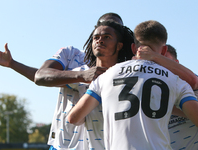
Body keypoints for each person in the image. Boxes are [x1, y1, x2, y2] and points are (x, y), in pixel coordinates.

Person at [0, 13, 130, 150]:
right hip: (64, 143)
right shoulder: (72, 55)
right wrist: (81, 75)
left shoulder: (126, 69)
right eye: (98, 35)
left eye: (110, 33)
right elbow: (41, 76)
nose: (101, 39)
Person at [68, 20, 198, 150]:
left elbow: (73, 118)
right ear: (164, 50)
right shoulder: (175, 81)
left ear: (133, 48)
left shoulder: (106, 76)